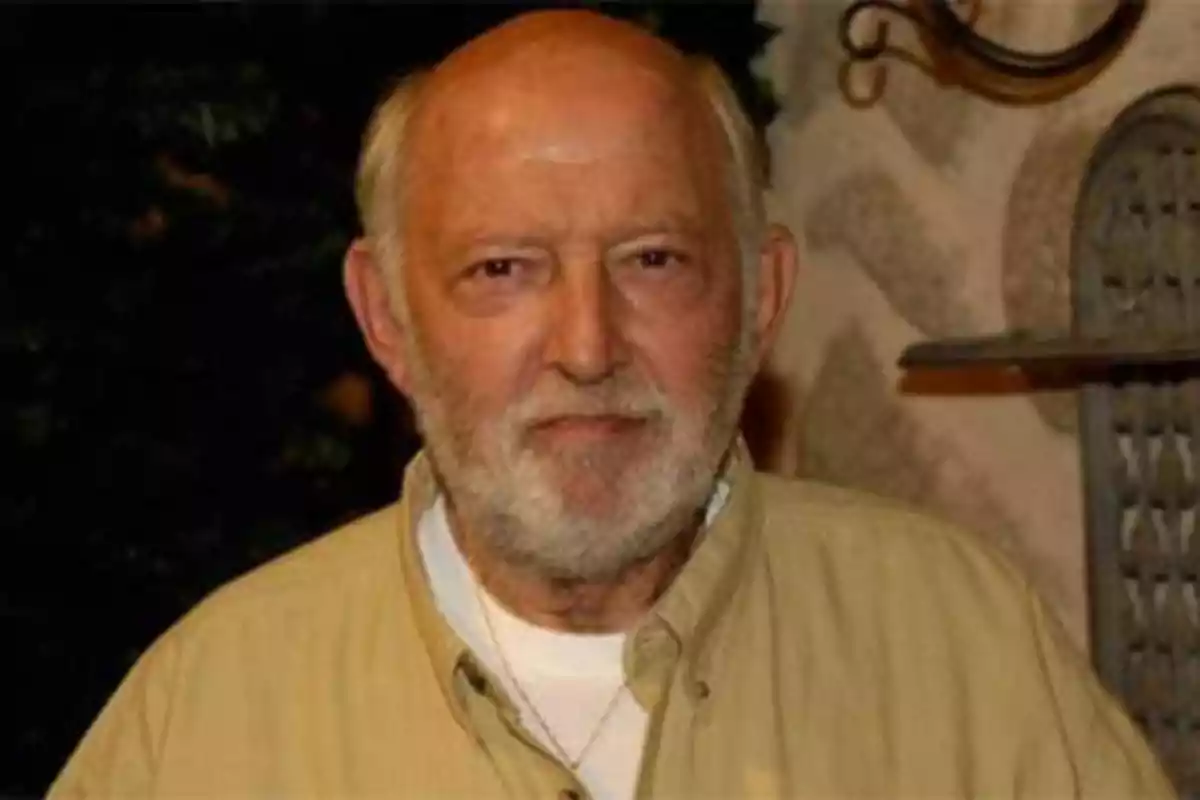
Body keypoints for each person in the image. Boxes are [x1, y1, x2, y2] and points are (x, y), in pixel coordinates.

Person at [50, 9, 1176, 800]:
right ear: (386, 315)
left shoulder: (961, 645)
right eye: (503, 269)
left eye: (652, 259)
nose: (587, 346)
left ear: (762, 296)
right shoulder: (209, 705)